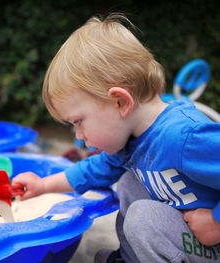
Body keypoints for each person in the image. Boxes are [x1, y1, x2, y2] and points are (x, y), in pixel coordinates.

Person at [12, 13, 220, 263]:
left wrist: (216, 222)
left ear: (120, 102)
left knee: (144, 217)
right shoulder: (131, 139)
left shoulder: (184, 137)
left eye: (79, 122)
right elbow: (94, 170)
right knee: (129, 183)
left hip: (212, 242)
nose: (79, 135)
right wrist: (43, 185)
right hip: (186, 235)